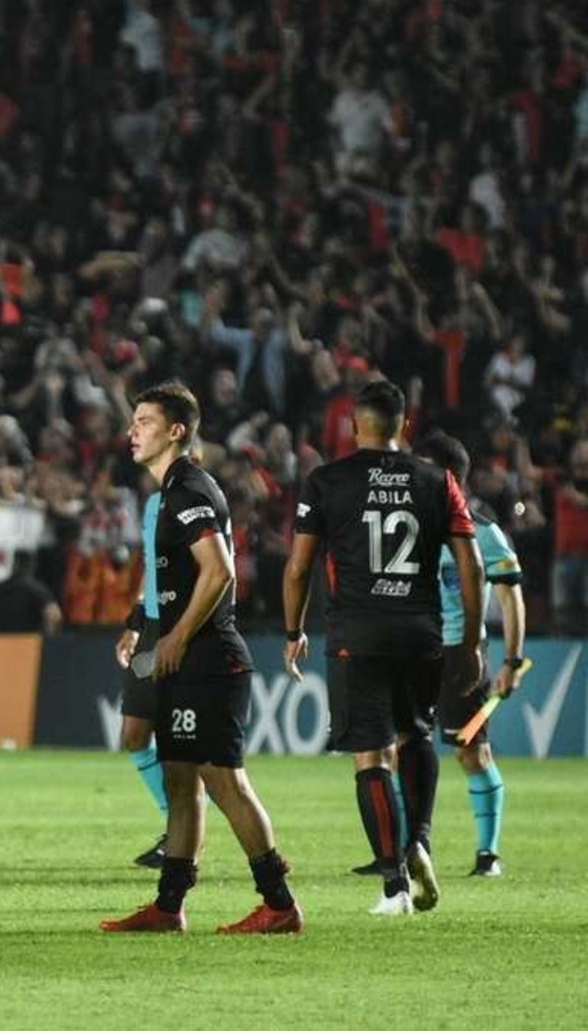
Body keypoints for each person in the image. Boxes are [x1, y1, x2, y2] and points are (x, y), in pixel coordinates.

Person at [100, 381, 301, 934]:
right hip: (190, 657)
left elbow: (220, 571)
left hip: (210, 658)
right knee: (181, 780)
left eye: (144, 421)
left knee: (225, 783)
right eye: (133, 420)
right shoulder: (168, 493)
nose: (132, 431)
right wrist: (147, 626)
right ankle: (169, 907)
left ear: (176, 431)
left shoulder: (189, 489)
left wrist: (178, 637)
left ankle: (279, 903)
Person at [283, 380, 483, 916]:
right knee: (416, 734)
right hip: (421, 633)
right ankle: (419, 839)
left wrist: (292, 630)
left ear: (354, 424)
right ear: (405, 426)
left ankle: (395, 883)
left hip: (357, 634)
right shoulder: (437, 480)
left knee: (370, 754)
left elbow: (300, 566)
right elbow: (472, 564)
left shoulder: (326, 481)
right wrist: (472, 640)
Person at [416, 434, 526, 878]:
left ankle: (489, 855)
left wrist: (512, 661)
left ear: (448, 478)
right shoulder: (409, 528)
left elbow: (511, 597)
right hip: (413, 651)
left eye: (423, 470)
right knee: (398, 749)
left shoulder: (484, 532)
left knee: (470, 753)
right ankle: (405, 851)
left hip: (463, 654)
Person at [113, 489, 169, 869]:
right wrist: (135, 624)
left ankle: (180, 834)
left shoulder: (199, 496)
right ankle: (177, 823)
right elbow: (153, 566)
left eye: (144, 423)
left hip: (182, 623)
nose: (135, 432)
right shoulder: (153, 503)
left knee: (199, 755)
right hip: (150, 625)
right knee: (134, 734)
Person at [0, 549, 62, 634]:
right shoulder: (38, 590)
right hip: (28, 643)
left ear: (13, 565)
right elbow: (54, 615)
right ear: (32, 565)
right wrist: (49, 637)